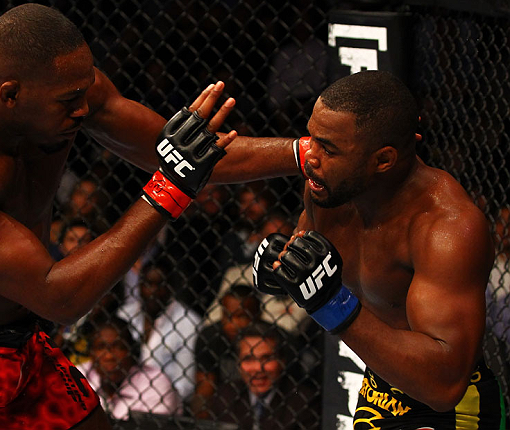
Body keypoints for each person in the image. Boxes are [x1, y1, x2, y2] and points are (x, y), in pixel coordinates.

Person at [0, 3, 303, 430]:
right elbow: (59, 298)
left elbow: (191, 159)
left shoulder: (66, 93)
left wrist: (305, 154)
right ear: (11, 95)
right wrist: (169, 188)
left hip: (20, 345)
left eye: (85, 91)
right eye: (70, 100)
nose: (83, 108)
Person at [253, 70, 505, 428]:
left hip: (448, 409)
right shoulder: (328, 190)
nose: (310, 156)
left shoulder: (446, 227)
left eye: (329, 148)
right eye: (313, 138)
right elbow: (308, 265)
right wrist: (283, 271)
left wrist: (330, 304)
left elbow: (445, 384)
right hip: (377, 390)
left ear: (383, 160)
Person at [117, 255, 201, 401]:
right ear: (139, 285)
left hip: (166, 403)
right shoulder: (125, 314)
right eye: (148, 283)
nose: (154, 291)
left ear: (171, 287)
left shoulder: (188, 322)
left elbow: (185, 385)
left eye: (161, 284)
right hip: (122, 396)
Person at [208, 321, 319, 429]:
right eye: (248, 359)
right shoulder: (224, 397)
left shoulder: (303, 403)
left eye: (267, 358)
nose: (258, 368)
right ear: (238, 364)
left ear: (282, 361)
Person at [77, 317, 180, 420]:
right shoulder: (76, 376)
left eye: (119, 347)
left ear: (132, 351)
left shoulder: (155, 383)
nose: (109, 356)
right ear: (91, 353)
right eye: (100, 347)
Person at [191, 284, 262, 418]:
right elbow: (204, 390)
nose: (233, 324)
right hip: (224, 409)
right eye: (228, 316)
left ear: (258, 315)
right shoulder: (210, 338)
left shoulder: (273, 340)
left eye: (242, 316)